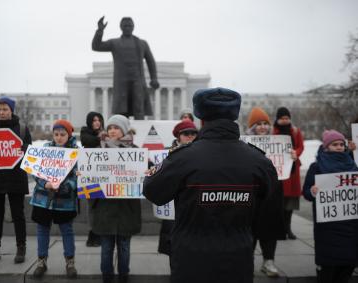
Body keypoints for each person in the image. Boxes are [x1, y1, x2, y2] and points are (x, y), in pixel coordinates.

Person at [143, 87, 278, 283]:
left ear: (201, 119)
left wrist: (153, 174)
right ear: (233, 115)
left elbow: (153, 192)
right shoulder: (258, 161)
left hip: (191, 261)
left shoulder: (183, 158)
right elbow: (270, 213)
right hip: (238, 259)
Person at [303, 130, 358, 283]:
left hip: (350, 225)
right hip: (327, 227)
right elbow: (306, 192)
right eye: (335, 144)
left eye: (341, 144)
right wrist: (312, 192)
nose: (339, 147)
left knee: (347, 266)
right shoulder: (317, 166)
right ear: (326, 147)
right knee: (328, 269)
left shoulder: (352, 164)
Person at [0, 96, 32, 264]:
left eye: (5, 109)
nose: (1, 112)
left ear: (11, 111)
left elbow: (30, 152)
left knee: (18, 214)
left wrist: (23, 149)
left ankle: (21, 247)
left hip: (15, 177)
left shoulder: (22, 129)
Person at [91, 114, 141, 283]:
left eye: (116, 128)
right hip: (104, 208)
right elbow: (90, 180)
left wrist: (147, 172)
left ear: (124, 130)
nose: (112, 131)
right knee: (106, 248)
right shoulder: (98, 152)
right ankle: (107, 278)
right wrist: (84, 175)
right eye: (110, 127)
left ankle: (123, 278)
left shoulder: (135, 151)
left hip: (127, 208)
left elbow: (144, 177)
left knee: (124, 248)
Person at [30, 120, 78, 279]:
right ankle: (41, 261)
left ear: (68, 135)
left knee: (67, 230)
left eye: (62, 134)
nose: (59, 137)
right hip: (43, 199)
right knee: (42, 230)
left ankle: (70, 261)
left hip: (64, 201)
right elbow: (36, 172)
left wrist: (63, 186)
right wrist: (46, 184)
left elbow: (76, 177)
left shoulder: (75, 152)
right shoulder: (45, 149)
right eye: (56, 134)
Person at [92, 16, 159, 119]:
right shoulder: (115, 43)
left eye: (130, 25)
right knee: (121, 111)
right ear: (121, 27)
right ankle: (121, 132)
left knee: (139, 108)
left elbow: (151, 61)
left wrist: (154, 78)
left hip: (137, 80)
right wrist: (100, 30)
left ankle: (140, 132)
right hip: (121, 82)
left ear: (133, 27)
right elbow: (96, 46)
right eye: (125, 26)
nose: (127, 27)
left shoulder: (142, 43)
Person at [246, 107, 285, 277]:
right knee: (250, 228)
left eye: (264, 123)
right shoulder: (245, 144)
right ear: (252, 127)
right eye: (258, 124)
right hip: (252, 192)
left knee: (270, 228)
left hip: (273, 192)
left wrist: (291, 157)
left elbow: (288, 169)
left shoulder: (279, 143)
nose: (262, 127)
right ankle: (248, 261)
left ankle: (269, 261)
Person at [158, 121, 198, 259]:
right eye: (186, 133)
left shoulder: (202, 153)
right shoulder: (166, 154)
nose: (190, 136)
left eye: (194, 133)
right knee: (174, 250)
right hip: (173, 208)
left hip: (194, 207)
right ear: (178, 136)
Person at [273, 106, 304, 240]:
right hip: (279, 171)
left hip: (292, 171)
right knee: (279, 202)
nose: (285, 121)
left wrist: (295, 153)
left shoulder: (296, 131)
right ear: (278, 119)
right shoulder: (273, 132)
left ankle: (288, 229)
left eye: (287, 118)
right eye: (282, 118)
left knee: (290, 203)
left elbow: (300, 146)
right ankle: (280, 229)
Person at [80, 111, 106, 247]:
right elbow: (87, 141)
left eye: (99, 120)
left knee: (102, 206)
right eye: (94, 120)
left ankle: (101, 233)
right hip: (90, 176)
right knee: (91, 205)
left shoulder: (105, 134)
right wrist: (101, 137)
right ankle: (92, 234)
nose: (97, 122)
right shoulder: (86, 133)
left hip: (104, 176)